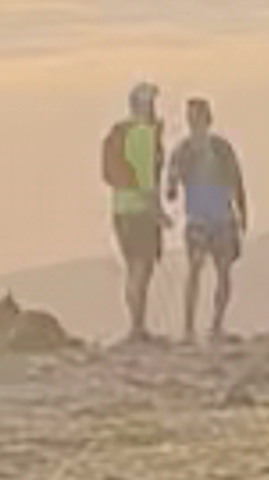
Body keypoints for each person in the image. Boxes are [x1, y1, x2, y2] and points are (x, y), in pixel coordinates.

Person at [171, 95, 249, 342]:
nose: (195, 123)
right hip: (198, 219)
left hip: (222, 217)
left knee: (223, 273)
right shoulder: (183, 150)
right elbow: (171, 187)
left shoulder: (221, 148)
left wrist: (242, 211)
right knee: (195, 271)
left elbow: (236, 180)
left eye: (198, 117)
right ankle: (189, 328)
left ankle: (216, 325)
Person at [97, 82, 169, 346]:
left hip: (120, 208)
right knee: (142, 268)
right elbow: (146, 178)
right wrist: (158, 212)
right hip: (140, 211)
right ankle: (137, 327)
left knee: (132, 269)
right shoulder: (143, 135)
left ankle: (135, 325)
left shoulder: (122, 132)